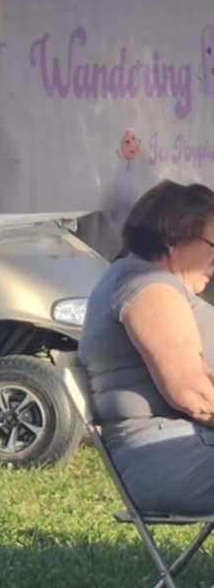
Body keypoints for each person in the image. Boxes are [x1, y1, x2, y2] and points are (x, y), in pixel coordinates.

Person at [82, 179, 214, 513]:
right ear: (174, 239)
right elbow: (194, 396)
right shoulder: (149, 288)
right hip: (175, 458)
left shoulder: (141, 280)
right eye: (213, 246)